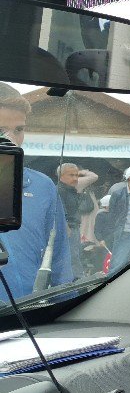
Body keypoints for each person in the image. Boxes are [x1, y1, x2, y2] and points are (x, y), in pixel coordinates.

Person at [0, 83, 72, 297]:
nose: (11, 139)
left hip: (28, 317)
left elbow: (60, 258)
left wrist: (65, 310)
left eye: (18, 129)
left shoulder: (42, 186)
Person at [56, 162, 85, 278]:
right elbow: (59, 212)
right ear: (60, 176)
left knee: (75, 256)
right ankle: (76, 283)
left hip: (74, 228)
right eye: (71, 175)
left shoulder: (70, 189)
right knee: (72, 258)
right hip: (67, 229)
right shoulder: (59, 190)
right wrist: (66, 227)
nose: (75, 178)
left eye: (76, 175)